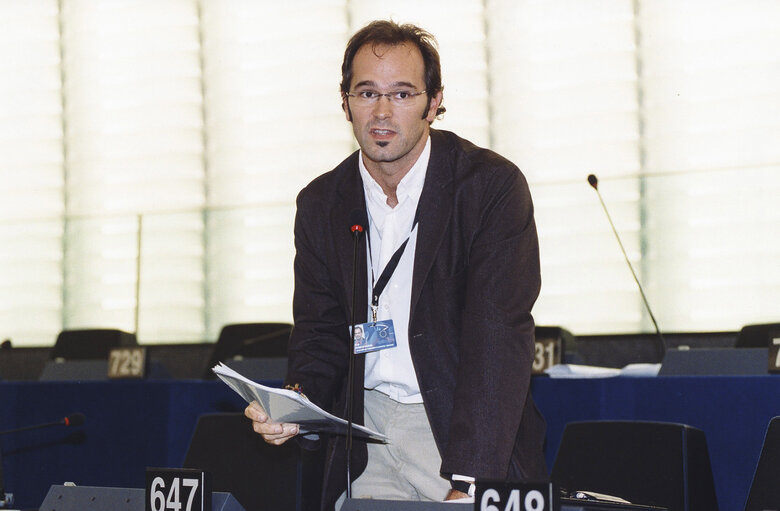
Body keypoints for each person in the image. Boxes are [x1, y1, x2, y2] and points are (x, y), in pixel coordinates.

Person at [245, 19, 546, 510]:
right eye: (366, 93)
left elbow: (497, 341)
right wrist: (294, 406)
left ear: (434, 102)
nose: (382, 112)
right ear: (344, 102)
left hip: (457, 429)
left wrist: (470, 481)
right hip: (363, 438)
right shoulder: (322, 202)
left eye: (403, 94)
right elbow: (320, 335)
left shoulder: (490, 188)